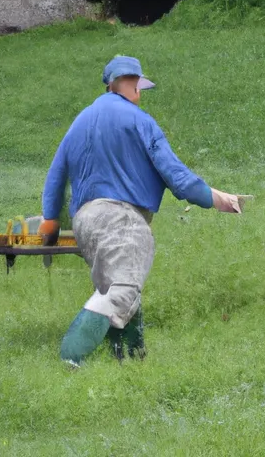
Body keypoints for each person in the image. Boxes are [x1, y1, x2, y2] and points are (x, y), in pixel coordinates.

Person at [40, 55, 242, 367]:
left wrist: (50, 221)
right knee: (121, 290)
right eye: (140, 87)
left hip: (85, 220)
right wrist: (220, 200)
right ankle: (71, 358)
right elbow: (179, 179)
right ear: (133, 85)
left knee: (117, 284)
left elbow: (56, 175)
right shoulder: (140, 121)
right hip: (121, 218)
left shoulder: (81, 119)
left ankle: (131, 358)